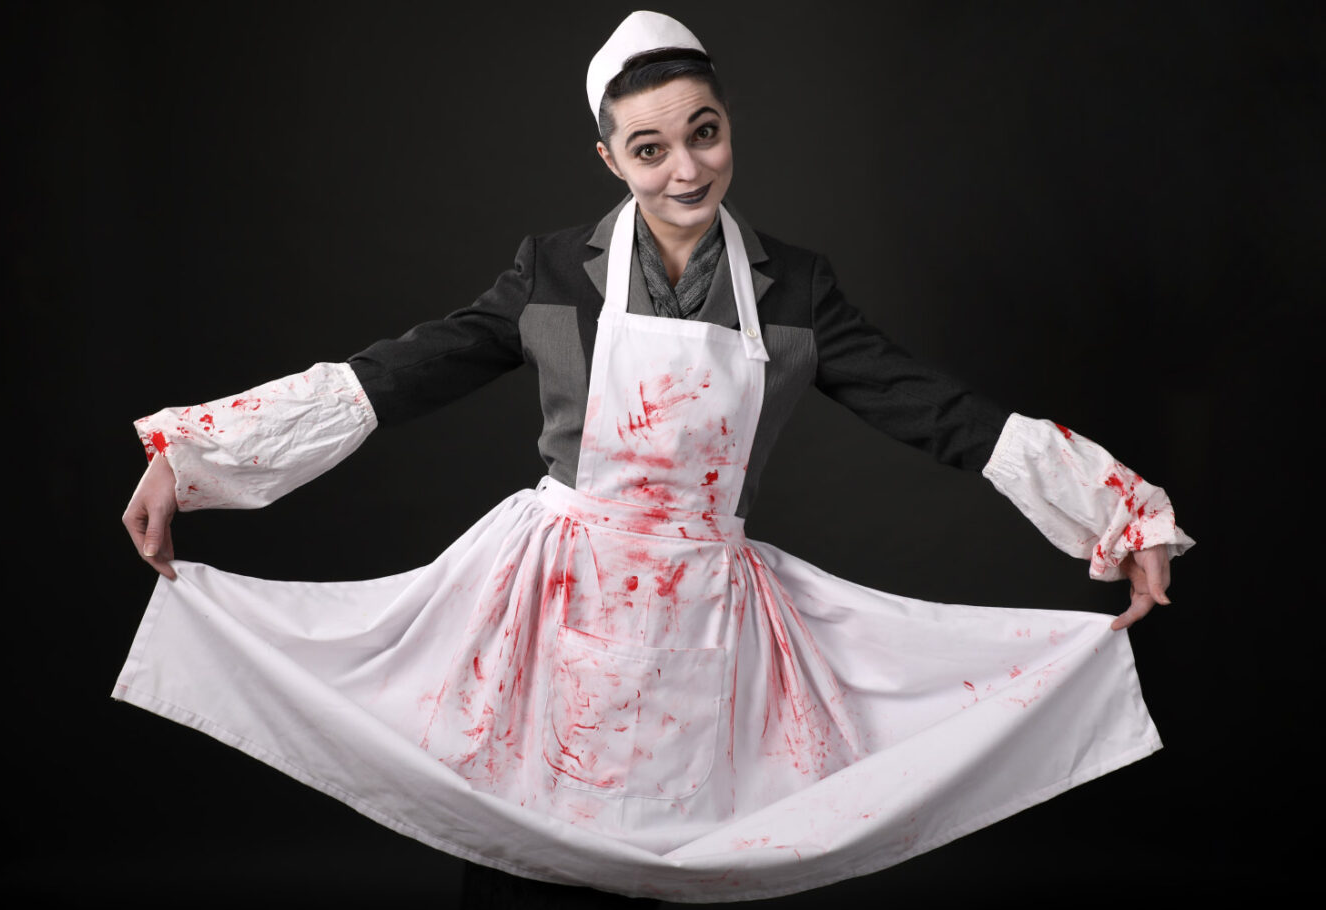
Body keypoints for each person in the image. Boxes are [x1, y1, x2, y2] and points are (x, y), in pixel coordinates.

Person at [116, 11, 1193, 903]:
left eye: (706, 133)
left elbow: (940, 413)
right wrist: (195, 458)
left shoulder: (796, 290)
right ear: (609, 157)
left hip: (708, 634)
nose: (687, 169)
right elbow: (399, 372)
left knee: (705, 866)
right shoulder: (552, 274)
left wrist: (1120, 510)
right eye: (650, 148)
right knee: (525, 864)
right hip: (547, 612)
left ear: (731, 126)